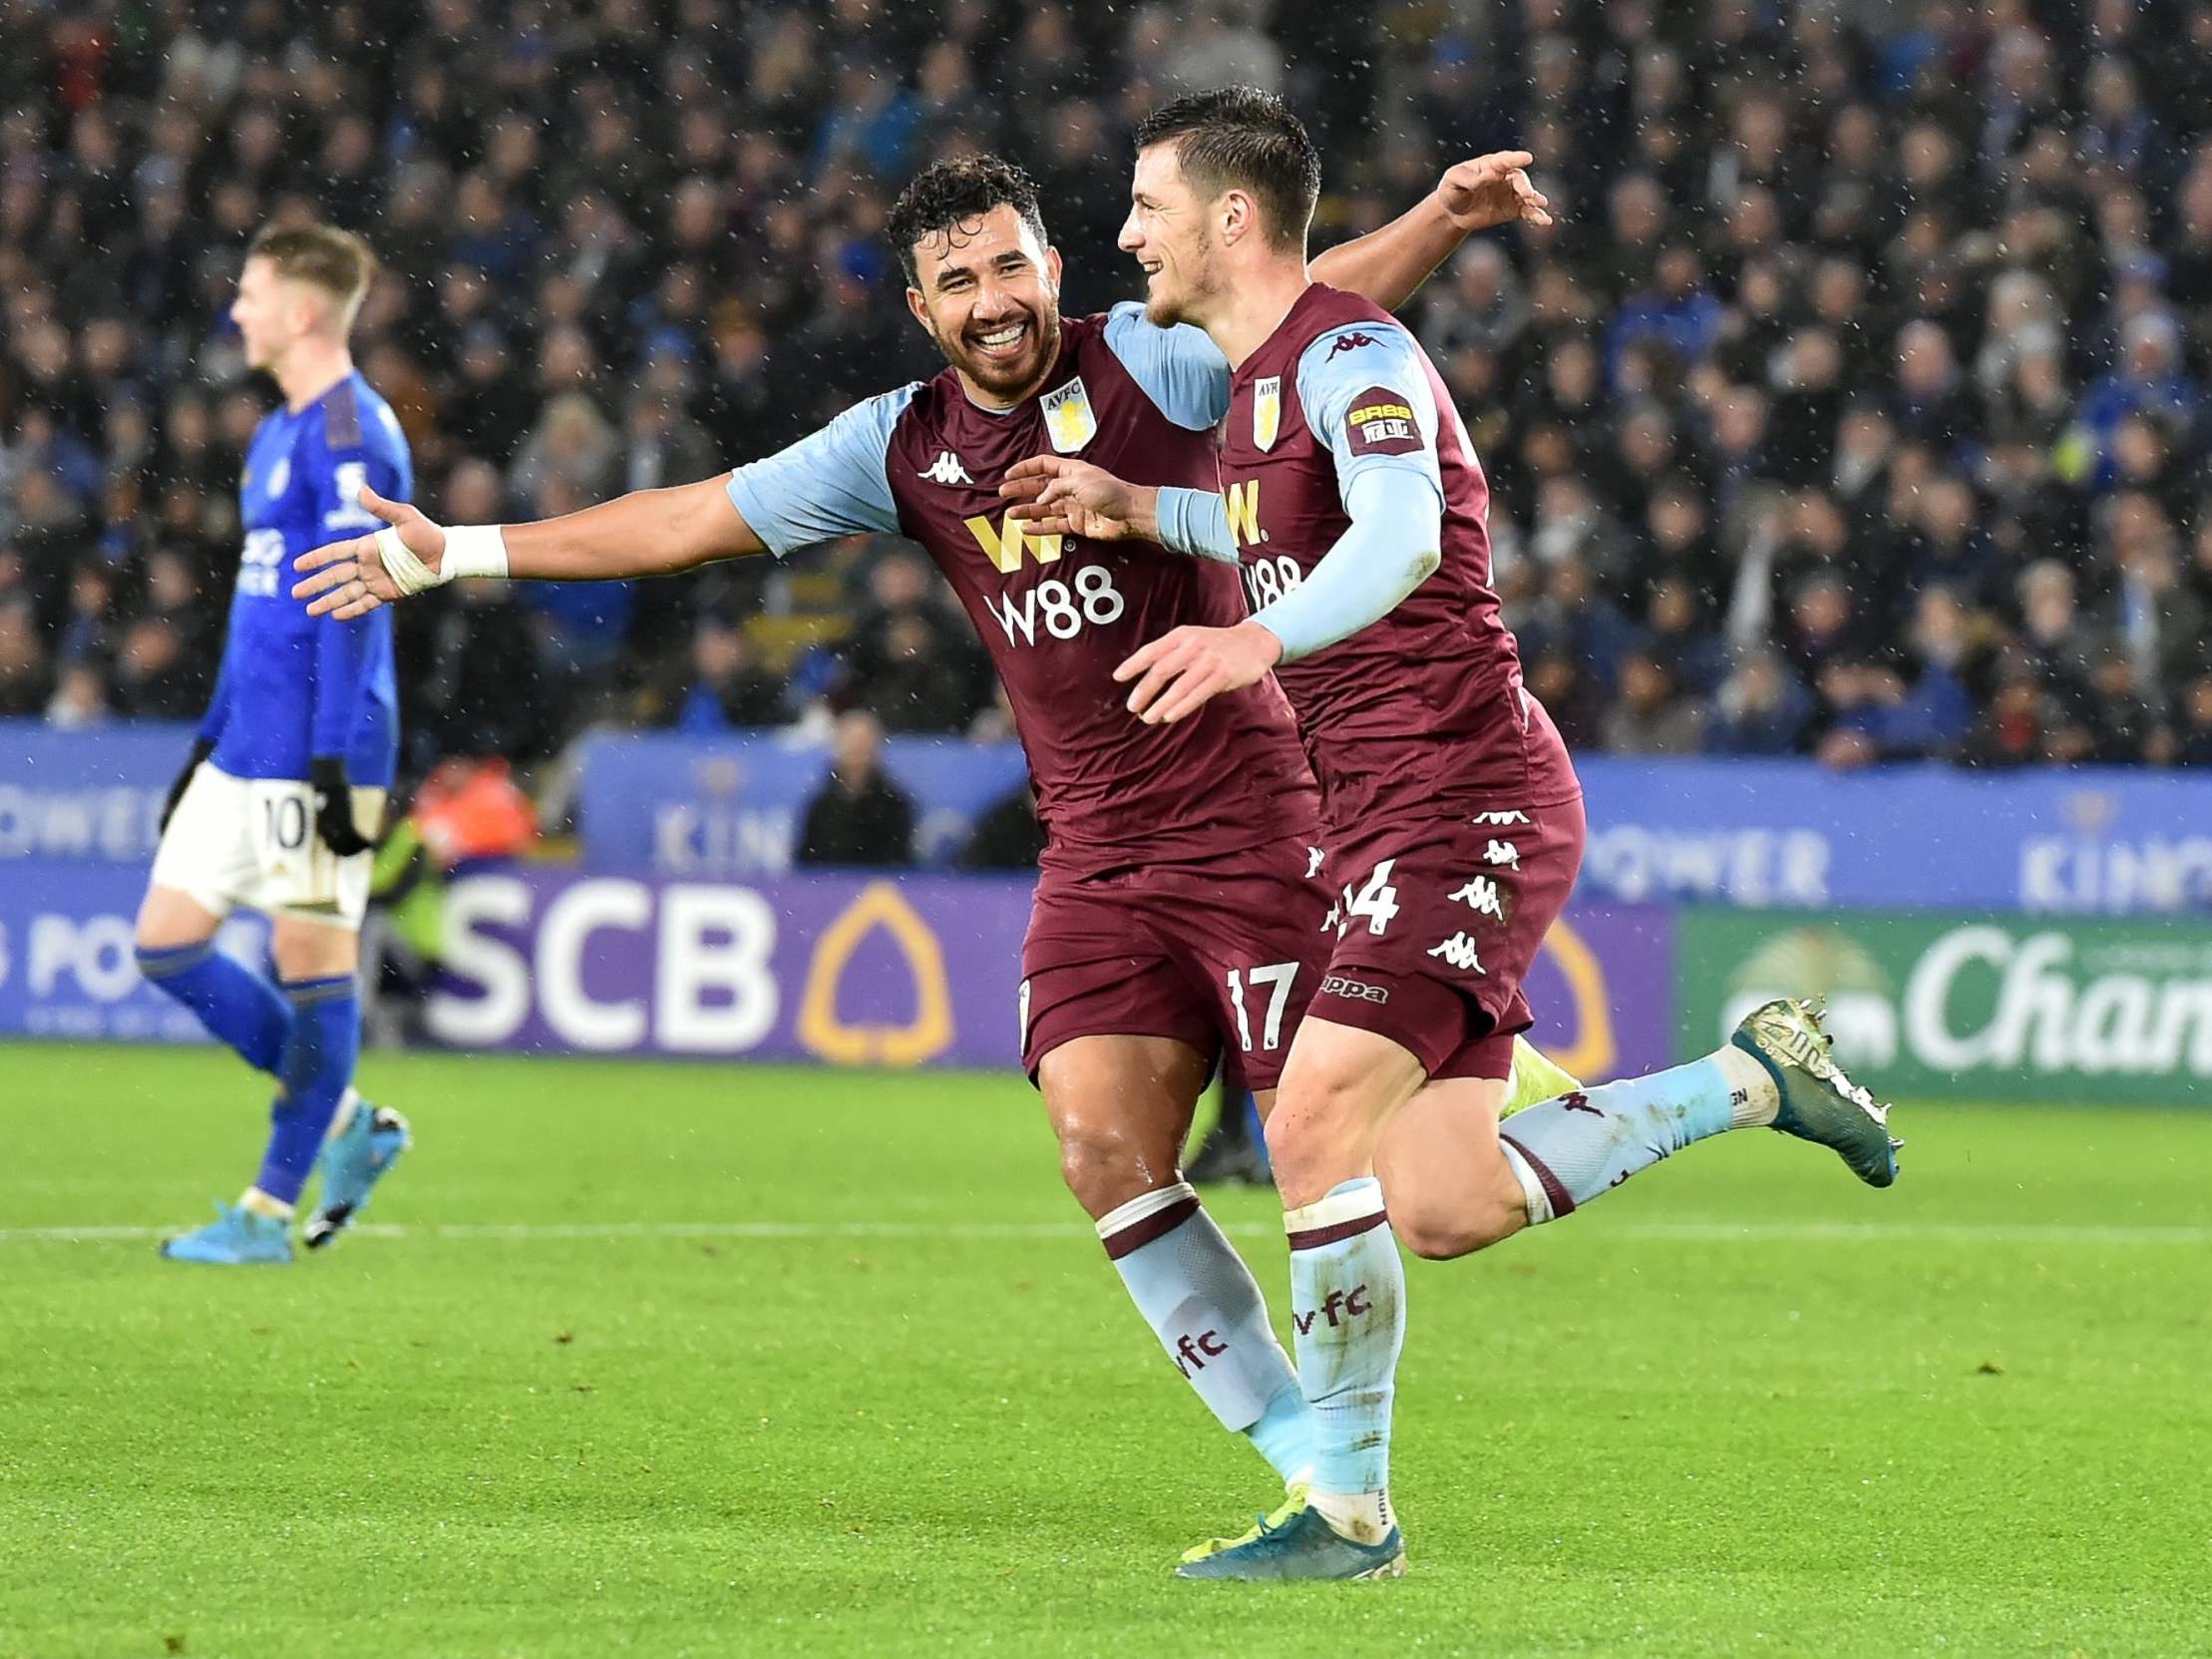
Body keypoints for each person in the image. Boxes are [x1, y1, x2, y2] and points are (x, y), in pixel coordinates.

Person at [291, 151, 1579, 1546]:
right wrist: (459, 551)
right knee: (1100, 1147)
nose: (993, 301)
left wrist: (1439, 222)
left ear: (1053, 269)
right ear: (919, 307)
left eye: (1011, 266)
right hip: (1091, 851)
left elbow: (1306, 303)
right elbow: (689, 520)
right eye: (958, 281)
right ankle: (1308, 1461)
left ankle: (1493, 1081)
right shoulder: (898, 446)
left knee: (1338, 1152)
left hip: (1262, 821)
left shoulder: (1161, 358)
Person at [1003, 88, 1903, 1579]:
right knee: (1440, 1200)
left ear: (1232, 216)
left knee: (1304, 1125)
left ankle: (1346, 1510)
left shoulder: (1353, 348)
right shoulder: (1245, 389)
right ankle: (1752, 1074)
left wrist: (1248, 647)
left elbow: (1400, 532)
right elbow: (1266, 528)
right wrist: (1135, 506)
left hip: (1465, 791)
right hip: (1376, 821)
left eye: (1148, 202)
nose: (1126, 231)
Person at [132, 222, 414, 1264]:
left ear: (302, 309)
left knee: (311, 964)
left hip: (314, 753)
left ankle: (263, 1213)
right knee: (163, 942)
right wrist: (202, 743)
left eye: (250, 292)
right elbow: (257, 608)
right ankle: (349, 1124)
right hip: (245, 744)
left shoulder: (355, 431)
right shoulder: (274, 433)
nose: (236, 310)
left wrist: (340, 756)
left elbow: (358, 598)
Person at [795, 709, 917, 867]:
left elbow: (898, 862)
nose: (857, 749)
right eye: (851, 741)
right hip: (827, 887)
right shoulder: (820, 806)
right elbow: (806, 862)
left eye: (863, 742)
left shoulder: (895, 805)